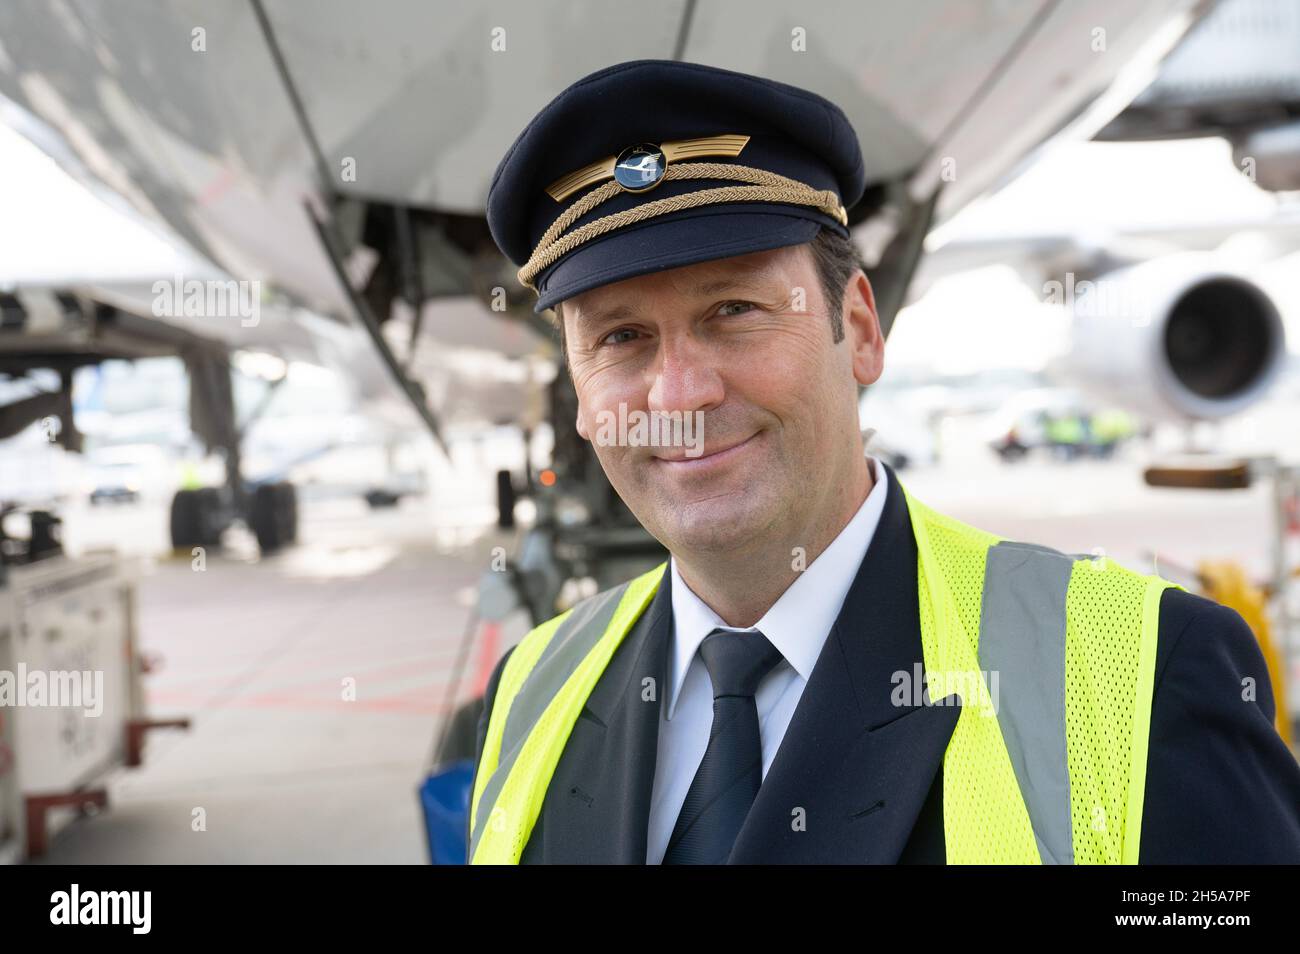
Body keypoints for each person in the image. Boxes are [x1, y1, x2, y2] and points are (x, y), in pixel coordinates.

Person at [468, 59, 1300, 864]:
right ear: (578, 391)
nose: (678, 394)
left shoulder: (1143, 673)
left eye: (734, 309)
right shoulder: (533, 690)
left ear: (861, 330)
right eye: (620, 337)